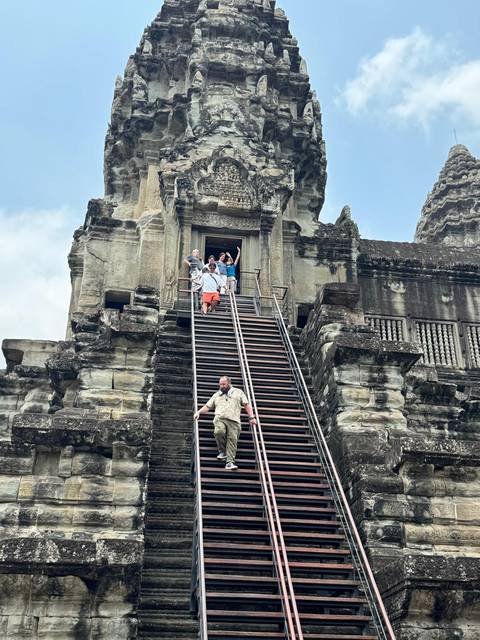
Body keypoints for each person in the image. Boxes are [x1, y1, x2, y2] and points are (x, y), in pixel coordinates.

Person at [194, 376, 257, 470]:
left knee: (232, 441)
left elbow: (246, 404)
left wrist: (252, 417)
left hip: (234, 420)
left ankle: (230, 462)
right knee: (219, 432)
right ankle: (222, 451)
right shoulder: (217, 395)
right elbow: (208, 406)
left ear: (229, 383)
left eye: (223, 384)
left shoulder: (238, 392)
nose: (221, 386)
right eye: (220, 384)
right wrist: (198, 412)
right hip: (220, 418)